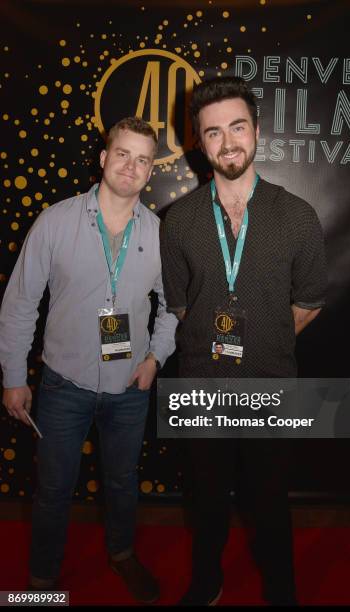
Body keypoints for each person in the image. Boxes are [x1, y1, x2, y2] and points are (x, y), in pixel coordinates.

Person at [161, 77, 327, 605]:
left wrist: (261, 344)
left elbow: (308, 303)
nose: (228, 142)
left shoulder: (297, 215)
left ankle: (282, 588)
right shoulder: (178, 220)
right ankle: (207, 582)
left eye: (237, 127)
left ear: (256, 131)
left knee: (270, 501)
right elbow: (181, 306)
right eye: (214, 132)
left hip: (270, 389)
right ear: (199, 142)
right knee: (207, 501)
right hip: (200, 389)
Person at [0, 116, 178, 602]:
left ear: (149, 172)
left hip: (129, 389)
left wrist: (155, 358)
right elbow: (19, 303)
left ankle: (122, 554)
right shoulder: (55, 221)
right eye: (123, 153)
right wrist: (15, 378)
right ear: (103, 158)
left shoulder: (160, 234)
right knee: (53, 490)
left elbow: (175, 308)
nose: (131, 166)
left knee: (123, 482)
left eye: (143, 159)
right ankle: (41, 583)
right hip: (63, 385)